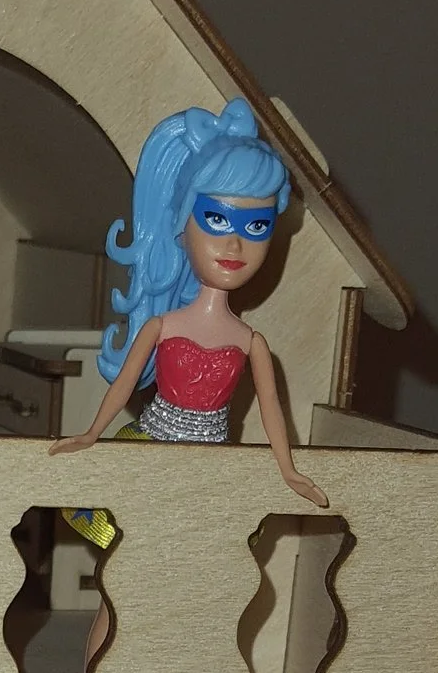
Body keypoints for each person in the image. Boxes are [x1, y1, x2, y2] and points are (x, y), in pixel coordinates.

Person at [50, 99, 328, 508]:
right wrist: (92, 433)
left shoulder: (250, 341)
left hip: (211, 462)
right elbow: (125, 384)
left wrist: (288, 470)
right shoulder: (162, 326)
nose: (234, 244)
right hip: (154, 447)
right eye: (217, 219)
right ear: (183, 224)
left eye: (256, 226)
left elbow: (271, 407)